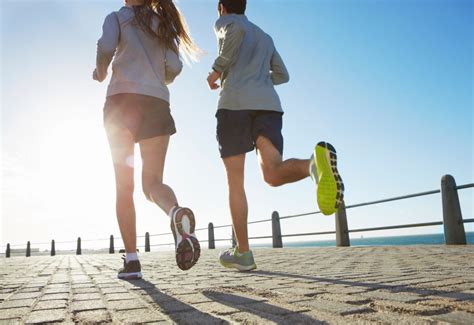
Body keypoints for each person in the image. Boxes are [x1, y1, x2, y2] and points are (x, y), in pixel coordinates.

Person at [207, 0, 345, 271]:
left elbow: (232, 36)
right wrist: (259, 80)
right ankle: (312, 166)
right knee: (272, 173)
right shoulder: (265, 36)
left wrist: (216, 71)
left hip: (235, 105)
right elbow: (283, 74)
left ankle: (243, 254)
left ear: (222, 7)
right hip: (268, 105)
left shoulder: (225, 22)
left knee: (235, 182)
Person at [93, 0, 201, 279]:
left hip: (121, 101)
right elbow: (174, 66)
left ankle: (132, 262)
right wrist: (159, 77)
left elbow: (106, 47)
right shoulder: (163, 22)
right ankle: (175, 212)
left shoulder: (116, 18)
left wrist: (101, 70)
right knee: (152, 183)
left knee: (124, 186)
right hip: (156, 102)